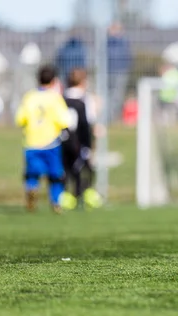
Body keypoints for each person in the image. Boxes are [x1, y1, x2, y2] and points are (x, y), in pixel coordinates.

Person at [15, 65, 70, 213]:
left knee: (32, 173)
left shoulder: (30, 97)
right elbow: (64, 119)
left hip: (32, 142)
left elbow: (20, 119)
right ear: (53, 81)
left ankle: (31, 190)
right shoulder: (55, 98)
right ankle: (56, 202)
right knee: (55, 174)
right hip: (51, 142)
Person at [61, 68, 101, 210]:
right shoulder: (85, 100)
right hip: (80, 139)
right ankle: (84, 195)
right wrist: (90, 142)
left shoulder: (61, 98)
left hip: (64, 139)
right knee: (84, 167)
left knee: (67, 168)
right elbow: (87, 121)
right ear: (83, 82)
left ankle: (66, 197)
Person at [107, 22, 132, 123]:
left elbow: (128, 56)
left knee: (117, 96)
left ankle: (114, 116)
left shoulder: (124, 42)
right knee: (108, 95)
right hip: (108, 72)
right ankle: (108, 117)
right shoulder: (107, 42)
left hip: (120, 71)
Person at [158, 63, 178, 127]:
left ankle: (168, 124)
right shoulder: (176, 74)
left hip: (168, 96)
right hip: (168, 96)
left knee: (168, 112)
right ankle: (169, 124)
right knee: (170, 112)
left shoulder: (169, 74)